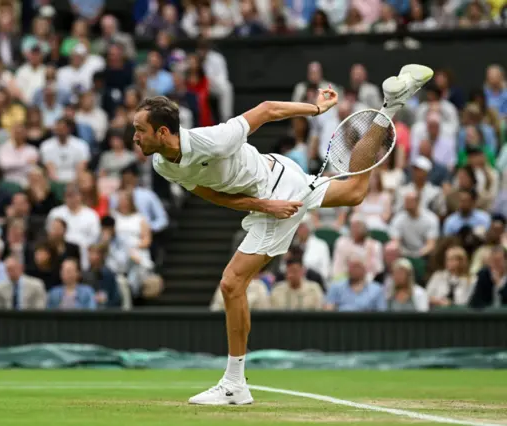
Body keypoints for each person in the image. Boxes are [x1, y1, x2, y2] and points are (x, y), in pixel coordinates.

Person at [132, 64, 433, 404]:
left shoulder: (212, 140)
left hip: (275, 186)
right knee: (353, 193)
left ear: (161, 132)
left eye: (139, 130)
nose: (134, 137)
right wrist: (262, 206)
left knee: (232, 284)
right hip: (275, 177)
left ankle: (234, 384)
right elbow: (211, 193)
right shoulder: (162, 163)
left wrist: (317, 109)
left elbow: (266, 110)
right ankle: (390, 106)